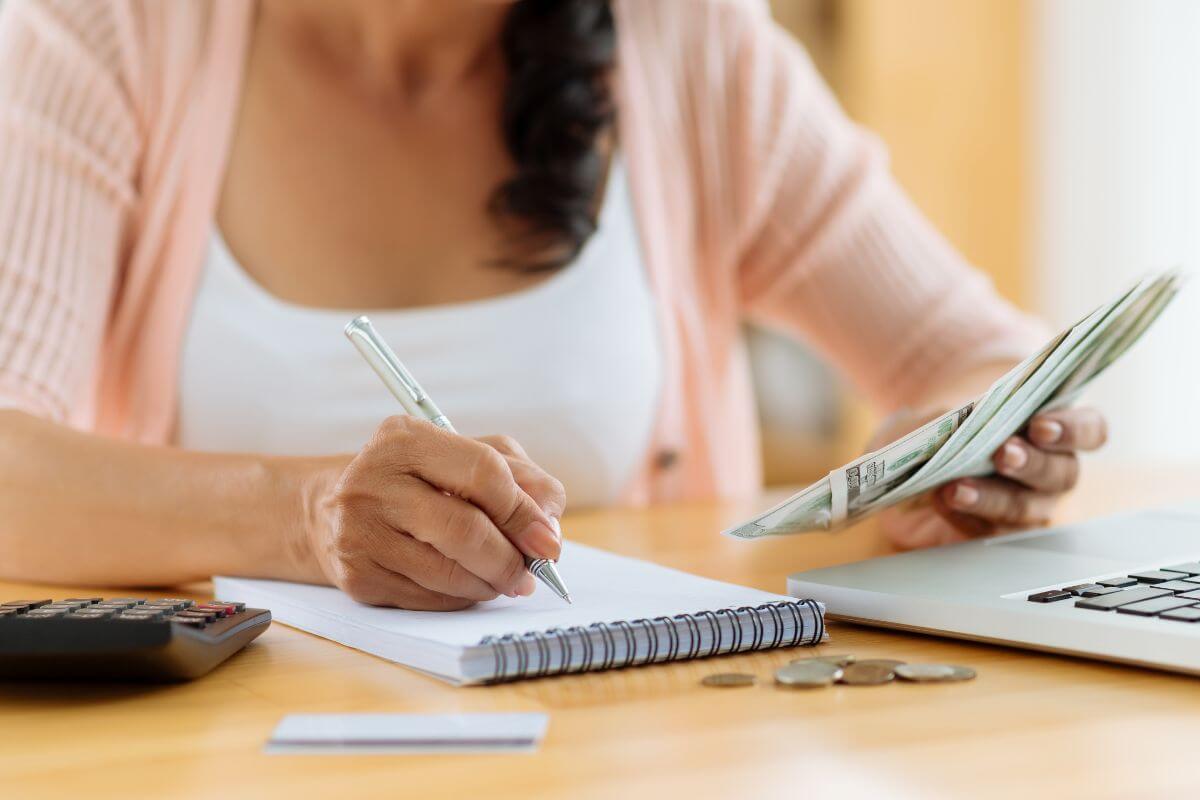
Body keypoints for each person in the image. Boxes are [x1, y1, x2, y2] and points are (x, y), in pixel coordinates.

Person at [0, 0, 1106, 610]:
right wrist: (306, 514)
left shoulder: (687, 42)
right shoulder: (103, 37)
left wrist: (969, 458)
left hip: (621, 745)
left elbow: (976, 354)